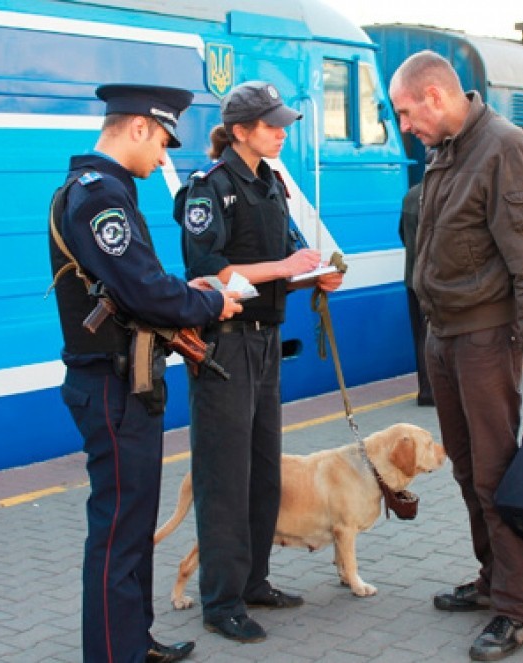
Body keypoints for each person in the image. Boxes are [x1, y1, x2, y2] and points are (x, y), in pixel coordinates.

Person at [48, 84, 243, 663]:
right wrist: (209, 303)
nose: (163, 157)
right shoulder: (97, 197)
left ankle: (134, 640)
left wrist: (185, 297)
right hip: (111, 387)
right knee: (116, 532)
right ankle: (114, 654)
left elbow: (135, 286)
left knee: (132, 527)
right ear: (137, 127)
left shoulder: (108, 191)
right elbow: (143, 289)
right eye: (161, 141)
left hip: (129, 382)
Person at [388, 50, 523, 662]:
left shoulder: (504, 147)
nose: (404, 125)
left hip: (487, 340)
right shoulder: (446, 149)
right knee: (466, 470)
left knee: (494, 476)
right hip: (445, 336)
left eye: (407, 112)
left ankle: (515, 610)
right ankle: (491, 581)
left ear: (434, 96)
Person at [176, 81, 344, 644]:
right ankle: (219, 601)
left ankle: (253, 582)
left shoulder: (271, 183)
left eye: (283, 122)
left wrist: (313, 275)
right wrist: (285, 264)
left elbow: (283, 262)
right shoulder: (210, 188)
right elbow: (209, 269)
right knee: (224, 476)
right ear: (241, 131)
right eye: (272, 124)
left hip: (265, 339)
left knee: (262, 469)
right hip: (225, 344)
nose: (282, 131)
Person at [398, 182, 434, 405]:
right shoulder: (443, 193)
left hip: (412, 277)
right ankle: (437, 391)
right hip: (434, 279)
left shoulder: (410, 195)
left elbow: (402, 233)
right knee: (436, 336)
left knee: (420, 336)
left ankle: (425, 391)